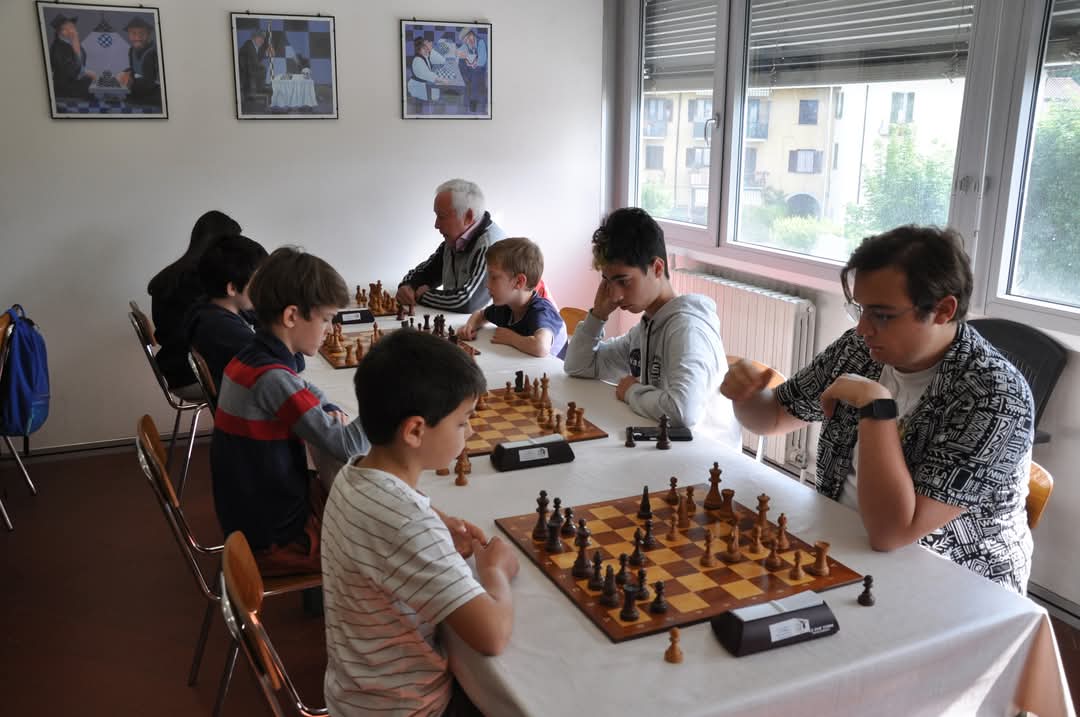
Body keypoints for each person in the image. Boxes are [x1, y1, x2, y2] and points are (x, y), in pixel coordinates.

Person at [720, 225, 1034, 594]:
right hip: (845, 539)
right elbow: (773, 417)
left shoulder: (995, 395)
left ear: (943, 310)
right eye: (861, 309)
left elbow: (892, 533)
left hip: (957, 585)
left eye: (882, 315)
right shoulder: (860, 349)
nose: (863, 328)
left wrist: (877, 407)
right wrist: (746, 395)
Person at [322, 328, 519, 716]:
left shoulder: (352, 474)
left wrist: (435, 519)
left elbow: (398, 522)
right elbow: (492, 634)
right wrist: (495, 572)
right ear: (414, 430)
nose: (471, 431)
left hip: (353, 695)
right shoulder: (403, 522)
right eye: (462, 422)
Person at [211, 247, 370, 577]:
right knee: (380, 542)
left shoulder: (251, 358)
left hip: (250, 518)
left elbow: (305, 389)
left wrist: (327, 406)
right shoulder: (272, 378)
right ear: (291, 316)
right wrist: (387, 400)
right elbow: (348, 446)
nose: (330, 329)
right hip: (275, 540)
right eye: (325, 319)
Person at [563, 208, 740, 447]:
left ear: (657, 268)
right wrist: (598, 316)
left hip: (708, 458)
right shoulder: (646, 327)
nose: (614, 295)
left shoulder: (687, 329)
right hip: (669, 449)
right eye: (608, 281)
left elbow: (683, 411)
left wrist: (631, 392)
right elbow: (578, 366)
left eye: (623, 281)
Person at [148, 210, 242, 399]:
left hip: (174, 368)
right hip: (193, 376)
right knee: (265, 382)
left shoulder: (171, 275)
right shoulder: (201, 285)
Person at [396, 178, 507, 314]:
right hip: (457, 323)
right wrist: (408, 286)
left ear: (468, 216)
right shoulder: (455, 239)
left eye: (441, 216)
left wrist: (424, 296)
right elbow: (427, 272)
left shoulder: (492, 247)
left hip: (487, 326)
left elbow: (468, 301)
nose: (436, 225)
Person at [184, 234, 268, 392]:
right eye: (258, 282)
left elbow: (261, 319)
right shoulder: (223, 328)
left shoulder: (212, 307)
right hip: (243, 402)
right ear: (232, 288)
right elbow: (289, 364)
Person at [459, 237, 567, 358]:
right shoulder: (506, 306)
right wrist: (470, 327)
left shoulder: (542, 311)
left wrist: (512, 338)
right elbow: (480, 315)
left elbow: (541, 347)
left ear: (519, 282)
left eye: (494, 277)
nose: (487, 285)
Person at [48, 15, 96, 99]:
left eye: (72, 27)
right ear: (60, 31)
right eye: (68, 28)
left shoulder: (72, 43)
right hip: (65, 87)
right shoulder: (58, 47)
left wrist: (75, 42)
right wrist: (85, 72)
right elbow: (69, 71)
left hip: (76, 83)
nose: (72, 30)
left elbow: (81, 62)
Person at [116, 16, 160, 106]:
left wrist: (132, 82)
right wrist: (125, 73)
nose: (137, 37)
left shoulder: (155, 51)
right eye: (133, 33)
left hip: (153, 91)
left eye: (142, 33)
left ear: (148, 34)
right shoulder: (131, 50)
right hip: (138, 89)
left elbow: (151, 80)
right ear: (129, 35)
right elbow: (134, 69)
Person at [406, 37, 448, 103]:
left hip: (425, 86)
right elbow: (426, 74)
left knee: (441, 92)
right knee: (439, 95)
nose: (426, 50)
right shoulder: (417, 60)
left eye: (427, 47)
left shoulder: (426, 56)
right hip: (418, 88)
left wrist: (431, 49)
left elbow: (442, 61)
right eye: (423, 48)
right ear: (418, 49)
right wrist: (441, 79)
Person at [456, 28, 488, 113]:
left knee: (473, 79)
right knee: (461, 62)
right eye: (465, 41)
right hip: (472, 68)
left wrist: (473, 63)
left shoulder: (481, 42)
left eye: (466, 39)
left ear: (471, 35)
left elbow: (482, 61)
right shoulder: (467, 44)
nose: (466, 42)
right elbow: (460, 51)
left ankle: (472, 103)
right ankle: (467, 104)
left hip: (480, 70)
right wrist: (459, 53)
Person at [237, 30, 272, 103]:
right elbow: (255, 63)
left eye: (263, 39)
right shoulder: (249, 46)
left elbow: (255, 60)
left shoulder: (253, 46)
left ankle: (260, 89)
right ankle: (258, 91)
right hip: (246, 75)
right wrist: (262, 66)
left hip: (249, 72)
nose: (262, 41)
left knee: (263, 69)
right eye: (260, 38)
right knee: (263, 69)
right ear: (254, 37)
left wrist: (265, 55)